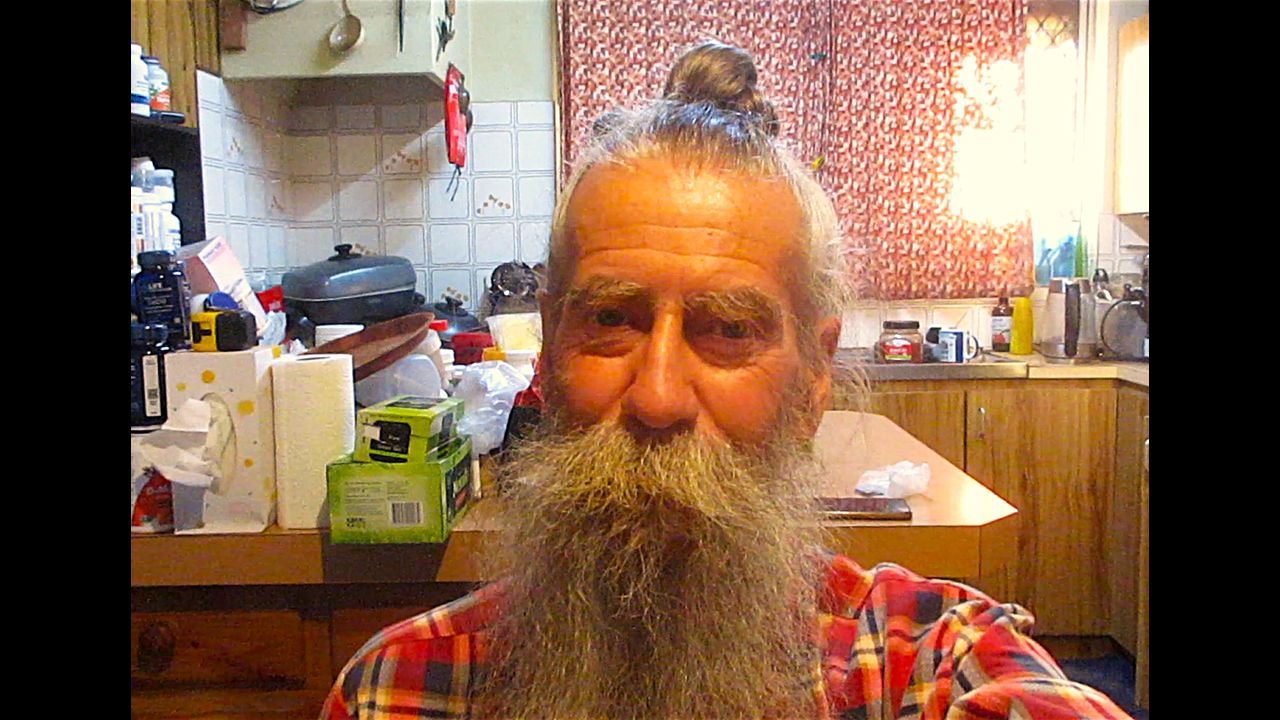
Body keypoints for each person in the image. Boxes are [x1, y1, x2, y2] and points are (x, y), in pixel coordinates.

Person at [321, 41, 1133, 720]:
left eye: (730, 329)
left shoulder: (924, 661)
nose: (657, 398)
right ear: (547, 353)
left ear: (813, 380)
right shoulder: (398, 690)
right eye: (610, 318)